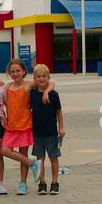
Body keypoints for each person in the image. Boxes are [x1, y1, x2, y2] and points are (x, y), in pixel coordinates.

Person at [1, 59, 40, 195]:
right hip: (11, 125)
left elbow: (48, 82)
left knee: (22, 153)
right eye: (12, 71)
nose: (15, 73)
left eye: (18, 71)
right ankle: (33, 163)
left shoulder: (28, 85)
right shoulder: (7, 87)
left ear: (24, 71)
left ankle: (23, 183)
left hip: (25, 124)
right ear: (9, 73)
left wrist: (47, 91)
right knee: (5, 150)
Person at [29, 63, 64, 195]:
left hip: (52, 133)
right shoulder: (32, 94)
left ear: (48, 77)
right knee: (40, 159)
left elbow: (59, 112)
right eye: (38, 76)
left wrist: (61, 128)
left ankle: (55, 182)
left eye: (44, 76)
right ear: (34, 79)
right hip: (37, 133)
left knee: (53, 157)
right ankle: (42, 183)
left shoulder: (54, 94)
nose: (41, 79)